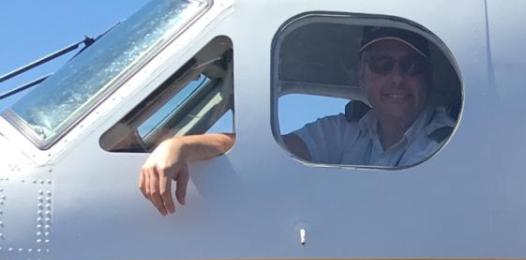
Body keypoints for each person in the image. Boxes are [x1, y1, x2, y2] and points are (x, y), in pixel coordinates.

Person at [139, 26, 455, 214]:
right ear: (362, 74)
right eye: (383, 65)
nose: (397, 78)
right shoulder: (346, 131)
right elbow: (262, 148)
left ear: (427, 77)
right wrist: (179, 146)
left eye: (411, 66)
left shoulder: (446, 141)